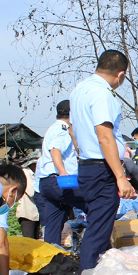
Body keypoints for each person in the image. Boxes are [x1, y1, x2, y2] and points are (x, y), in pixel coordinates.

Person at [71, 49, 135, 270]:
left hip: (88, 166)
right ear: (121, 74)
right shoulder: (102, 93)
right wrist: (120, 177)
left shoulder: (80, 90)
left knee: (98, 225)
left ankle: (94, 273)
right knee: (98, 230)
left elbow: (76, 132)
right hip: (102, 168)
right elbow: (105, 137)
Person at [37, 99, 89, 246]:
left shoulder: (54, 129)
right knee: (95, 203)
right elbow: (55, 149)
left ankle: (51, 257)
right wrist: (63, 172)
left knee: (53, 225)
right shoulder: (62, 129)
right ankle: (96, 246)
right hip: (60, 182)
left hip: (47, 184)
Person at [16, 161, 40, 238]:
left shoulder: (36, 173)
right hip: (27, 213)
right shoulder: (25, 173)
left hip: (35, 213)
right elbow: (31, 192)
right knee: (29, 240)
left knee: (35, 240)